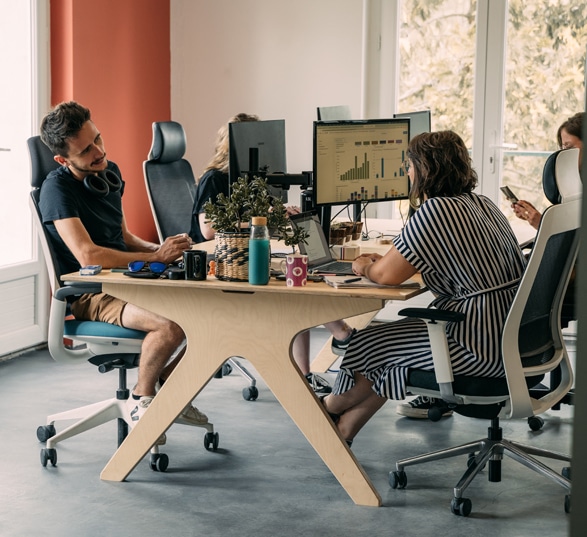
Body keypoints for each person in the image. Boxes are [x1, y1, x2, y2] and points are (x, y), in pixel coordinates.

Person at [319, 131, 527, 444]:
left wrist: (363, 266)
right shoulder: (483, 204)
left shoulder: (436, 211)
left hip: (475, 343)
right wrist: (387, 262)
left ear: (426, 169)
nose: (407, 172)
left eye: (410, 165)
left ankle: (325, 411)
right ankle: (345, 430)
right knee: (393, 354)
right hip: (512, 337)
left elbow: (386, 276)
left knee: (367, 344)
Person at [39, 101, 209, 443]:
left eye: (98, 139)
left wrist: (165, 252)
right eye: (86, 150)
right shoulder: (56, 191)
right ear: (63, 160)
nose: (99, 151)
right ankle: (142, 400)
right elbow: (88, 255)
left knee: (213, 318)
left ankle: (168, 391)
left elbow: (123, 237)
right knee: (170, 325)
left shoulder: (108, 172)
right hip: (92, 291)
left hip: (126, 280)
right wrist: (156, 257)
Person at [189, 113, 355, 393]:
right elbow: (208, 229)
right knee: (293, 282)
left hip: (250, 253)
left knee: (298, 273)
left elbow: (261, 216)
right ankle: (341, 333)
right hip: (218, 261)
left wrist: (282, 214)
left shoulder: (254, 177)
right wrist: (262, 217)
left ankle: (304, 375)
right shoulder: (214, 179)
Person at [512, 112, 584, 229]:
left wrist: (541, 224)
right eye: (562, 148)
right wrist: (537, 219)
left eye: (569, 147)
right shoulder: (573, 186)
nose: (563, 154)